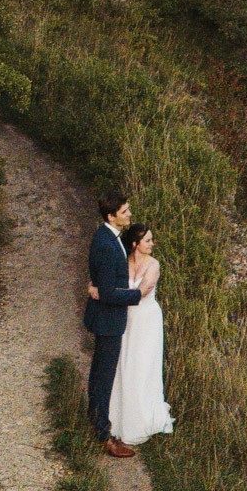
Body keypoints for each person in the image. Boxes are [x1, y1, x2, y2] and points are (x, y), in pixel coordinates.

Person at [83, 188, 142, 458]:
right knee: (104, 376)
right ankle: (103, 435)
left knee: (100, 373)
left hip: (106, 318)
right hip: (108, 320)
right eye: (125, 212)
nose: (129, 214)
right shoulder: (106, 244)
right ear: (111, 216)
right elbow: (107, 294)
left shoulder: (109, 236)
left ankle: (95, 420)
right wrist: (138, 294)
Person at [107, 224, 173, 447]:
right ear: (135, 244)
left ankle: (141, 417)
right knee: (123, 364)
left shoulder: (153, 265)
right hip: (126, 321)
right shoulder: (123, 263)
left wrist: (111, 296)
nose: (152, 244)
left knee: (142, 366)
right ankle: (118, 415)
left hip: (146, 321)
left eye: (151, 240)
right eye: (147, 241)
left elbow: (144, 290)